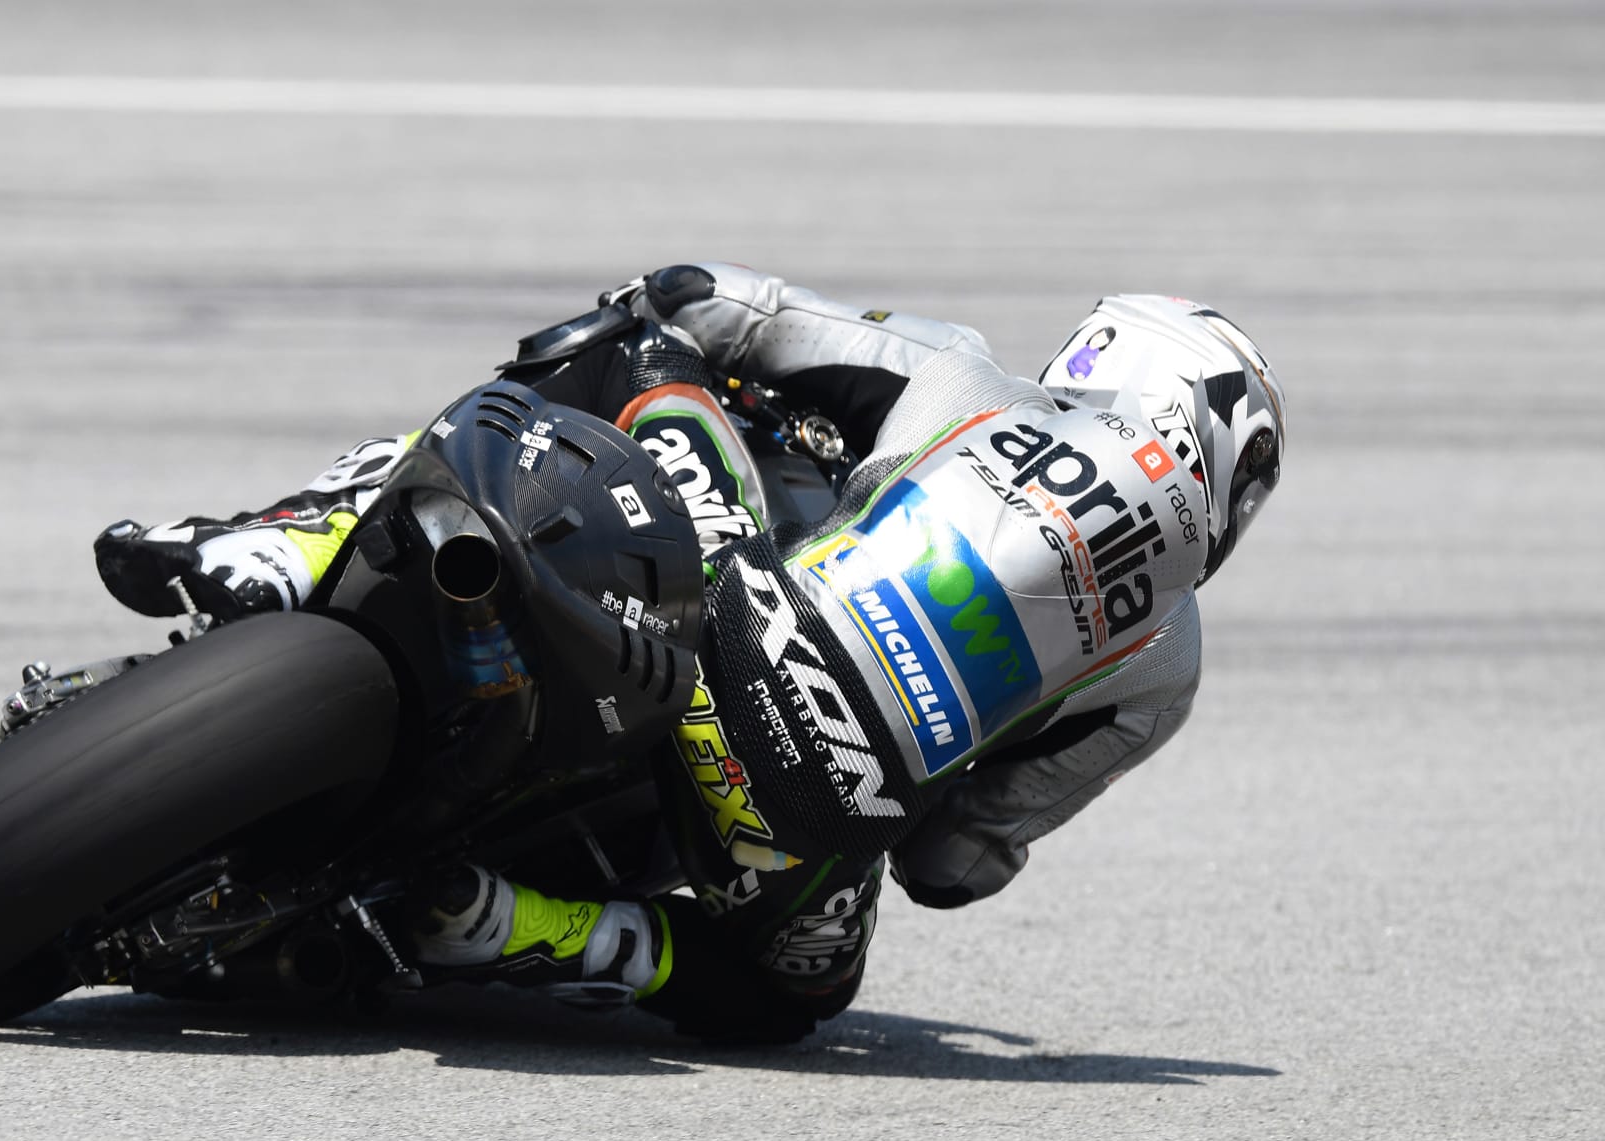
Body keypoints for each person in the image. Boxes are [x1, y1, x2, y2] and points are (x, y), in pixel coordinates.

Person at [94, 264, 1287, 1041]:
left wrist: (658, 307)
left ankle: (286, 543)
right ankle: (519, 925)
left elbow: (728, 308)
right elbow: (950, 861)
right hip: (784, 807)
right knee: (792, 992)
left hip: (709, 589)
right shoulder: (1162, 664)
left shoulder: (966, 374)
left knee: (599, 357)